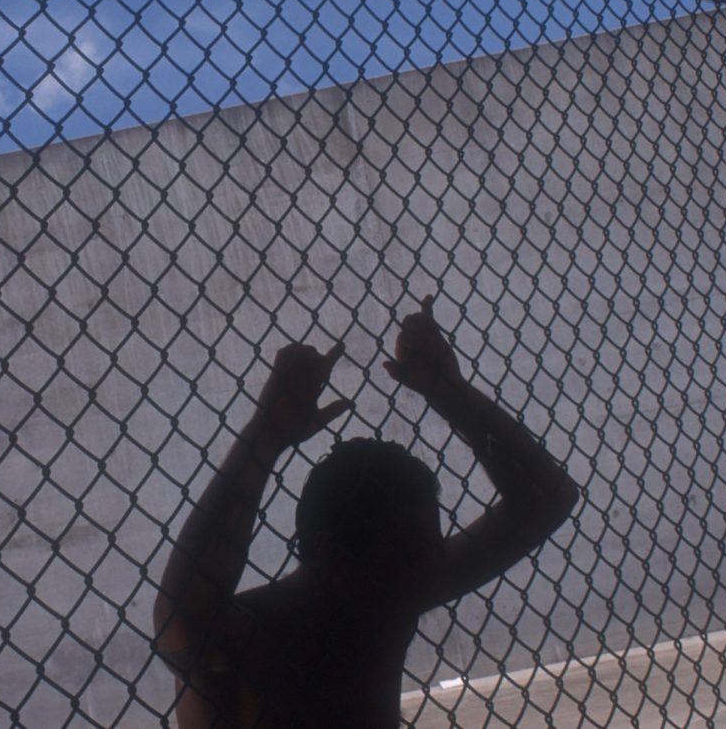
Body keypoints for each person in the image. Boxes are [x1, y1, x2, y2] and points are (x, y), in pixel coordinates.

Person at [153, 295, 582, 727]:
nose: (433, 563)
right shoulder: (258, 640)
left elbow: (548, 498)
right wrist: (264, 435)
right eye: (412, 552)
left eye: (431, 545)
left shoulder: (384, 596)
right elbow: (183, 617)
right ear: (333, 555)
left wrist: (453, 394)